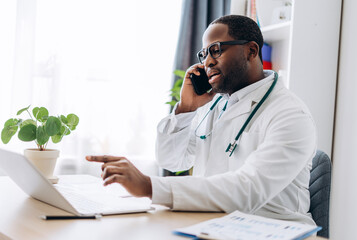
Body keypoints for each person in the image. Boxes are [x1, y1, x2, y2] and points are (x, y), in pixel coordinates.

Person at [86, 15, 316, 225]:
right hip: (214, 223)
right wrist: (186, 109)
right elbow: (173, 160)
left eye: (216, 50)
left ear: (251, 51)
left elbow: (248, 190)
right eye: (203, 54)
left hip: (273, 230)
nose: (207, 62)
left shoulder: (290, 114)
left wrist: (149, 186)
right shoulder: (215, 104)